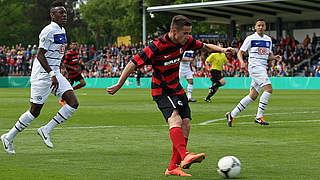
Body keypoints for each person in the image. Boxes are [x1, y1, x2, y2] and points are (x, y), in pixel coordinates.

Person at [107, 15, 234, 176]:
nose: (188, 37)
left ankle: (173, 167)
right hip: (160, 89)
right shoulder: (157, 46)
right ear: (174, 31)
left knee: (186, 124)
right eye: (185, 33)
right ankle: (185, 155)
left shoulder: (185, 41)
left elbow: (205, 46)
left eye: (189, 33)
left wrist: (223, 50)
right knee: (175, 119)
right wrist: (119, 84)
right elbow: (133, 62)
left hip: (176, 88)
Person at [1, 1, 79, 154]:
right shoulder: (48, 31)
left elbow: (56, 53)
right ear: (52, 15)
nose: (64, 15)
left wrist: (61, 67)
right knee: (34, 111)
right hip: (43, 75)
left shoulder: (62, 30)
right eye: (60, 13)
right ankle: (9, 137)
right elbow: (40, 55)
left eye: (65, 13)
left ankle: (46, 130)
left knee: (73, 103)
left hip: (54, 72)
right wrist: (51, 74)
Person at [226, 19, 281, 127]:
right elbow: (240, 52)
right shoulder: (250, 38)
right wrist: (242, 62)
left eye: (262, 25)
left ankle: (231, 114)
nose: (260, 27)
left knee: (253, 95)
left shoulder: (268, 39)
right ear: (255, 27)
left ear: (265, 27)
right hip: (255, 67)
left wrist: (274, 57)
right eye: (258, 25)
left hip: (262, 67)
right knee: (268, 89)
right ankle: (259, 116)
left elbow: (267, 55)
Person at [59, 40, 86, 105]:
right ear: (70, 46)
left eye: (75, 44)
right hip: (70, 74)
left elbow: (76, 62)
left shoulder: (77, 53)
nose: (74, 46)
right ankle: (62, 100)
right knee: (67, 88)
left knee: (83, 83)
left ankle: (72, 90)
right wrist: (73, 68)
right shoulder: (69, 54)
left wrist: (79, 67)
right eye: (73, 44)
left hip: (76, 73)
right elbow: (65, 64)